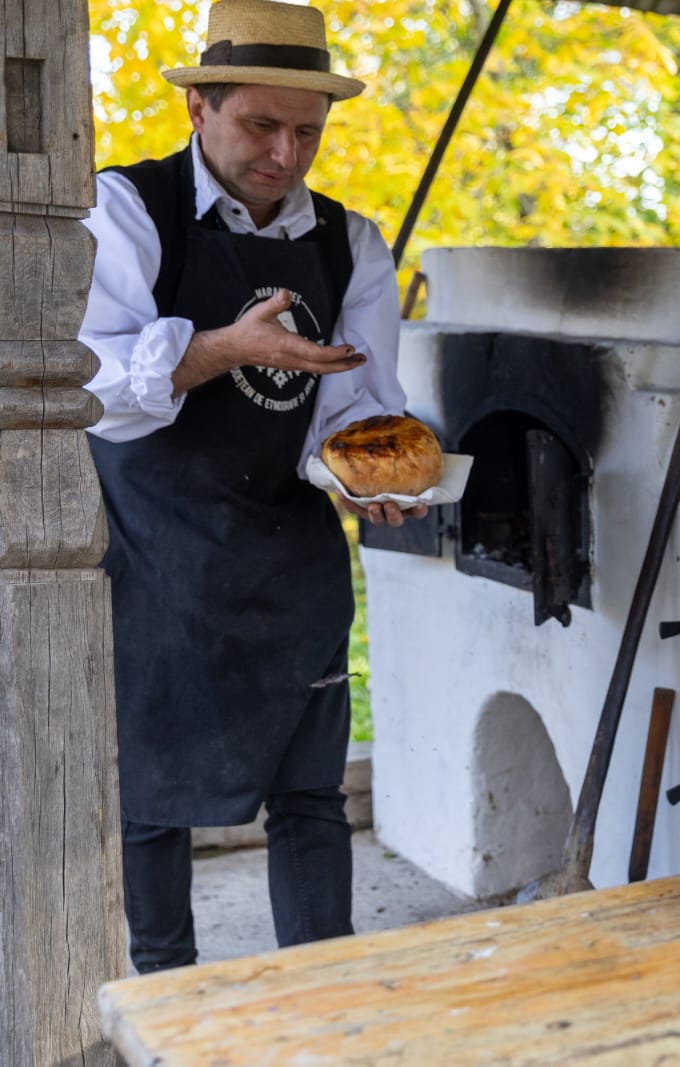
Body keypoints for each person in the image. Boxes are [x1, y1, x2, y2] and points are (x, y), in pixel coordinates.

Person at [81, 0, 423, 973]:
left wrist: (368, 470)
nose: (284, 153)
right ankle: (167, 1002)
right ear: (200, 109)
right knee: (148, 804)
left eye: (307, 132)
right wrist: (219, 349)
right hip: (156, 557)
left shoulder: (347, 245)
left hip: (288, 566)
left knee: (311, 799)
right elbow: (89, 384)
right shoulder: (128, 211)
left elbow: (355, 408)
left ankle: (319, 1003)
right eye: (260, 126)